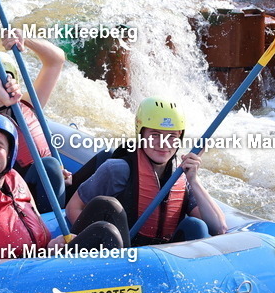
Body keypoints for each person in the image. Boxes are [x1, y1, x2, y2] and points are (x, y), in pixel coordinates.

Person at [0, 75, 123, 258]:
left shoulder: (14, 182)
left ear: (10, 155)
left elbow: (33, 245)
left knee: (107, 207)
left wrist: (50, 247)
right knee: (104, 233)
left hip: (33, 272)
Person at [67, 97, 226, 246]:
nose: (163, 143)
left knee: (195, 225)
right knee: (109, 206)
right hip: (123, 252)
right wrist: (88, 239)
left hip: (164, 260)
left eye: (172, 136)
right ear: (141, 134)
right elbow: (74, 207)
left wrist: (194, 180)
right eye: (155, 134)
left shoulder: (183, 177)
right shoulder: (117, 169)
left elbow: (219, 228)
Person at [0, 29, 66, 212]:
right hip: (15, 194)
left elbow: (56, 60)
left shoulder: (28, 104)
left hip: (53, 182)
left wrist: (25, 39)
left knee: (106, 159)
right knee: (50, 167)